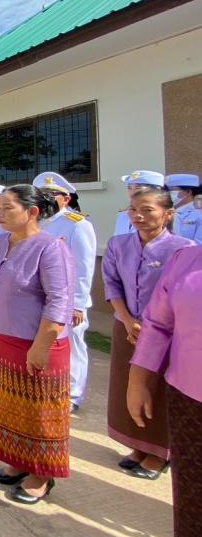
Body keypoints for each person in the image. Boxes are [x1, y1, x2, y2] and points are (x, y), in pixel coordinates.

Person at [0, 185, 75, 504]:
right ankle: (18, 461)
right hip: (2, 339)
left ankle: (41, 473)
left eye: (7, 208)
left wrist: (41, 347)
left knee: (40, 410)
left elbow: (59, 302)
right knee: (9, 405)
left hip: (37, 342)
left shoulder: (50, 247)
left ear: (32, 212)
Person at [103, 188, 193, 479]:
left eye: (148, 210)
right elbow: (112, 285)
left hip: (166, 334)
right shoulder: (118, 245)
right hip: (127, 328)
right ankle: (137, 446)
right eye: (133, 209)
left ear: (168, 214)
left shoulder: (184, 249)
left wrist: (151, 326)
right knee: (125, 386)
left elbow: (182, 294)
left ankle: (159, 453)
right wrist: (128, 320)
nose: (138, 216)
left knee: (158, 390)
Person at [128, 245, 202, 537]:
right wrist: (139, 379)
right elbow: (158, 323)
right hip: (190, 404)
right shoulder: (187, 259)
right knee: (193, 499)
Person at [34, 171, 97, 413]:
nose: (46, 199)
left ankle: (72, 394)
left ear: (66, 199)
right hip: (41, 296)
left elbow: (83, 267)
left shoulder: (77, 225)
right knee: (46, 344)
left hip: (68, 300)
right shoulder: (36, 221)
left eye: (52, 195)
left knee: (72, 346)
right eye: (42, 195)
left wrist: (78, 304)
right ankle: (48, 387)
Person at [114, 171, 165, 236]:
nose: (132, 192)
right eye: (129, 188)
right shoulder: (124, 214)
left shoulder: (164, 215)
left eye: (138, 188)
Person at [167, 173, 202, 244]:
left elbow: (199, 244)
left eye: (172, 190)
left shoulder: (198, 214)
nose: (168, 193)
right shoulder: (167, 212)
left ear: (188, 192)